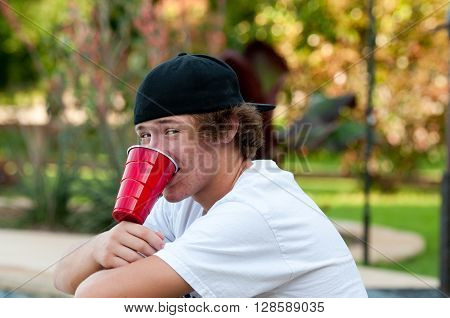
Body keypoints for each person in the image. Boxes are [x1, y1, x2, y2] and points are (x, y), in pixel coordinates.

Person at [53, 52, 367, 298]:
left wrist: (101, 260)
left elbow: (95, 298)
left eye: (172, 131)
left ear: (227, 128)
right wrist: (100, 245)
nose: (156, 151)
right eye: (145, 136)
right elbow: (63, 278)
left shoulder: (253, 211)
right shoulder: (183, 199)